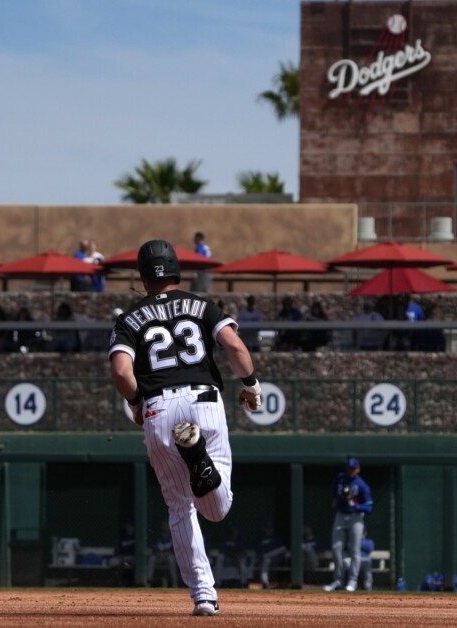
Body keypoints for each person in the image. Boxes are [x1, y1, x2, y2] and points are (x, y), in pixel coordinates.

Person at [108, 239, 261, 617]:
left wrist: (135, 403)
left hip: (158, 409)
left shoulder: (128, 320)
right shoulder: (202, 306)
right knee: (217, 510)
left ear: (142, 277)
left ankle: (203, 596)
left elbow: (121, 372)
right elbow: (235, 347)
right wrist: (251, 383)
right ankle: (199, 459)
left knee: (180, 508)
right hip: (204, 401)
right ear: (177, 270)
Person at [323, 458, 373, 592]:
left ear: (358, 469)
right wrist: (337, 500)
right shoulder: (341, 478)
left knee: (355, 550)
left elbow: (369, 507)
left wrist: (356, 505)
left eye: (353, 468)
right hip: (340, 515)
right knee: (336, 547)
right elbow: (335, 491)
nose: (350, 471)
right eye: (349, 468)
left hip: (355, 517)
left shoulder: (362, 485)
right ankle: (338, 580)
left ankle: (353, 581)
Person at [147, 520, 179, 588]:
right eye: (164, 526)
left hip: (168, 557)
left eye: (167, 526)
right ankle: (148, 582)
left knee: (171, 558)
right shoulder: (158, 538)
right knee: (152, 558)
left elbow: (174, 551)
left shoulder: (173, 538)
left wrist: (165, 555)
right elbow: (154, 549)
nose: (165, 527)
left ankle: (175, 583)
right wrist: (159, 554)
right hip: (158, 558)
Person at [257, 523, 288, 589]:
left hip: (277, 559)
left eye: (269, 529)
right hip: (266, 560)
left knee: (283, 549)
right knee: (266, 560)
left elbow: (282, 549)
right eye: (267, 529)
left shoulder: (276, 538)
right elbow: (259, 552)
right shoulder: (262, 539)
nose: (268, 530)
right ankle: (265, 582)